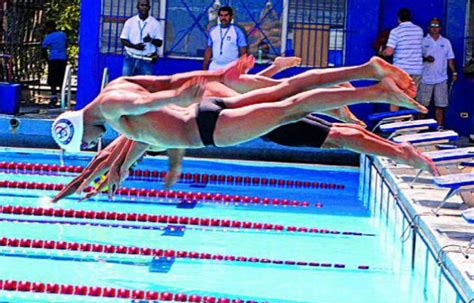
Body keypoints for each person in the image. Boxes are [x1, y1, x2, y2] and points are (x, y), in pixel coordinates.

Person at [50, 55, 438, 202]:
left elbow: (152, 102)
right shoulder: (113, 103)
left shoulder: (115, 107)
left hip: (208, 129)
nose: (89, 145)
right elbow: (131, 140)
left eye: (81, 144)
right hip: (209, 111)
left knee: (291, 104)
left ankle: (373, 88)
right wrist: (217, 75)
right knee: (286, 93)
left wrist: (192, 88)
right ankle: (368, 73)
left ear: (77, 128)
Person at [416, 18, 457, 128]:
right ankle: (420, 127)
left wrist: (454, 73)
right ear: (429, 27)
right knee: (422, 105)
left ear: (440, 28)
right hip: (425, 78)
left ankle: (440, 128)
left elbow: (450, 58)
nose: (435, 28)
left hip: (441, 78)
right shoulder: (423, 41)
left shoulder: (446, 42)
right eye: (432, 26)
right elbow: (416, 57)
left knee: (441, 105)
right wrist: (425, 58)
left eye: (437, 26)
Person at [383, 8, 423, 112]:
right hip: (416, 69)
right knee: (411, 98)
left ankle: (396, 122)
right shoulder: (419, 30)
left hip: (401, 70)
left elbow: (389, 52)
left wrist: (381, 52)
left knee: (395, 97)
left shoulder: (396, 31)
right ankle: (409, 123)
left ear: (398, 18)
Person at [120, 0, 163, 76]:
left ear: (149, 8)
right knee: (126, 85)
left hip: (146, 60)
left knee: (144, 85)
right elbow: (123, 40)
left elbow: (159, 43)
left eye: (146, 6)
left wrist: (151, 40)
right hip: (130, 58)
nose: (144, 8)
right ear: (137, 7)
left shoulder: (155, 24)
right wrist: (135, 46)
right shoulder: (130, 22)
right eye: (142, 5)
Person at [203, 6, 248, 70]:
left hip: (231, 67)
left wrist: (242, 67)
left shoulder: (237, 31)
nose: (223, 18)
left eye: (226, 15)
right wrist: (205, 65)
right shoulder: (213, 30)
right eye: (221, 15)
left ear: (231, 17)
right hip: (215, 66)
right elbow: (209, 49)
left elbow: (243, 51)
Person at [41, 20, 67, 107]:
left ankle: (53, 98)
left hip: (53, 59)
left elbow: (43, 50)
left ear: (49, 28)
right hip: (63, 58)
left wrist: (47, 60)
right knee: (62, 78)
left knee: (52, 80)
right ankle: (64, 97)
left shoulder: (48, 37)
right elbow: (66, 44)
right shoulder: (62, 34)